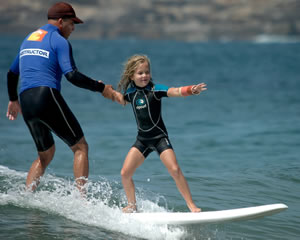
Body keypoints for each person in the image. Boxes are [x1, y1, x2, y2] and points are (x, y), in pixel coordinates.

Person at [6, 2, 124, 192]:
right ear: (61, 22)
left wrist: (13, 100)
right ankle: (82, 200)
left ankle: (27, 196)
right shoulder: (59, 40)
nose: (74, 28)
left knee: (45, 155)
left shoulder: (29, 39)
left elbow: (12, 74)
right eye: (72, 23)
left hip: (26, 100)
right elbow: (72, 76)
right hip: (46, 95)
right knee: (80, 147)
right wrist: (101, 88)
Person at [117, 55, 207, 213]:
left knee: (175, 170)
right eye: (140, 73)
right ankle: (132, 205)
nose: (144, 75)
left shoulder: (155, 90)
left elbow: (174, 91)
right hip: (142, 140)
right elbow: (118, 98)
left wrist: (191, 90)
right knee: (125, 173)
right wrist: (105, 90)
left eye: (147, 72)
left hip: (159, 139)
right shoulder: (130, 94)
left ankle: (192, 205)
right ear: (132, 75)